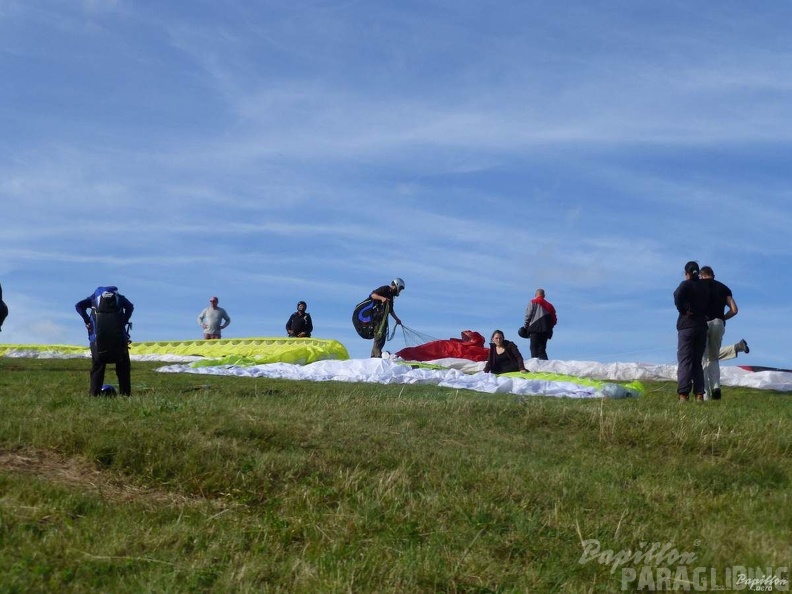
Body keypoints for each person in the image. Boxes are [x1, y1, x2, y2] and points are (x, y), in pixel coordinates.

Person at [75, 286, 134, 396]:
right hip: (119, 339)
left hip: (98, 340)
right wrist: (124, 321)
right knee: (123, 367)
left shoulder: (93, 299)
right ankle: (125, 394)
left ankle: (94, 394)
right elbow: (130, 307)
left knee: (98, 367)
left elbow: (78, 306)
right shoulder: (119, 298)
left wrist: (87, 320)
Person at [673, 261, 711, 402]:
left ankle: (683, 394)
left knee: (685, 360)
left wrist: (683, 311)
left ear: (687, 273)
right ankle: (699, 394)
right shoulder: (705, 287)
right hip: (701, 326)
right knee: (697, 361)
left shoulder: (686, 284)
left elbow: (676, 296)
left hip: (686, 326)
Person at [700, 266, 739, 400]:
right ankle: (716, 386)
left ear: (701, 275)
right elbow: (734, 310)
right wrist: (723, 318)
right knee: (714, 358)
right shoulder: (724, 288)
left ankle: (705, 395)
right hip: (718, 323)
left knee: (703, 359)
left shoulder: (698, 285)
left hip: (702, 323)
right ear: (713, 275)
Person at [369, 278, 404, 358]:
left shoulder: (391, 296)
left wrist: (397, 319)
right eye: (400, 289)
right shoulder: (385, 289)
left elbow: (390, 310)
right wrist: (382, 298)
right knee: (379, 336)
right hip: (377, 318)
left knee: (382, 338)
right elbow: (372, 295)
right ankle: (376, 356)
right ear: (396, 285)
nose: (400, 291)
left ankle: (376, 354)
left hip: (383, 320)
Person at [519, 288, 557, 360]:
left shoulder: (533, 302)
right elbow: (554, 320)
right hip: (546, 331)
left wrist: (525, 327)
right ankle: (546, 366)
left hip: (534, 329)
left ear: (535, 295)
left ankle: (535, 365)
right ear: (544, 295)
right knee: (542, 350)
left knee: (534, 348)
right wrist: (549, 327)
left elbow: (528, 315)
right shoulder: (550, 306)